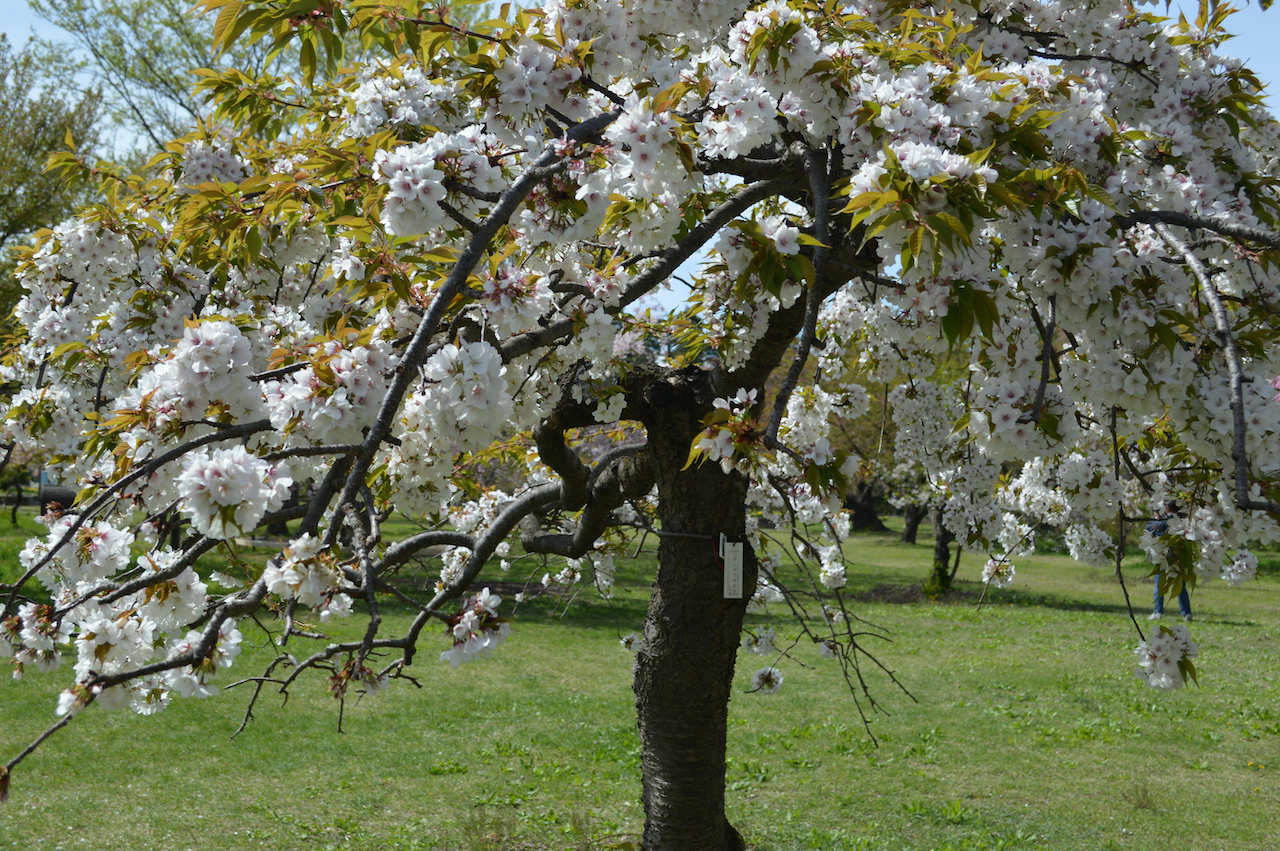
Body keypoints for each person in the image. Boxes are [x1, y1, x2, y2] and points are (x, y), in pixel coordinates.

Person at [1147, 501, 1191, 622]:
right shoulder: (1184, 520)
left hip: (1162, 557)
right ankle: (1186, 613)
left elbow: (1150, 530)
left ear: (1166, 508)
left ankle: (1158, 611)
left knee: (1159, 585)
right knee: (1181, 586)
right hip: (1178, 558)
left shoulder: (1161, 521)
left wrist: (1156, 518)